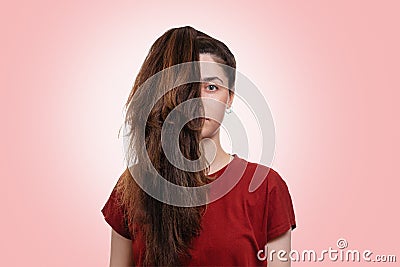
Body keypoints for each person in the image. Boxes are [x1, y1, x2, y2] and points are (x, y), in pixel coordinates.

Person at [101, 25, 296, 267]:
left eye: (211, 87)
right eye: (188, 88)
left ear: (230, 97)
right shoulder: (132, 187)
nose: (198, 101)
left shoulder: (265, 187)